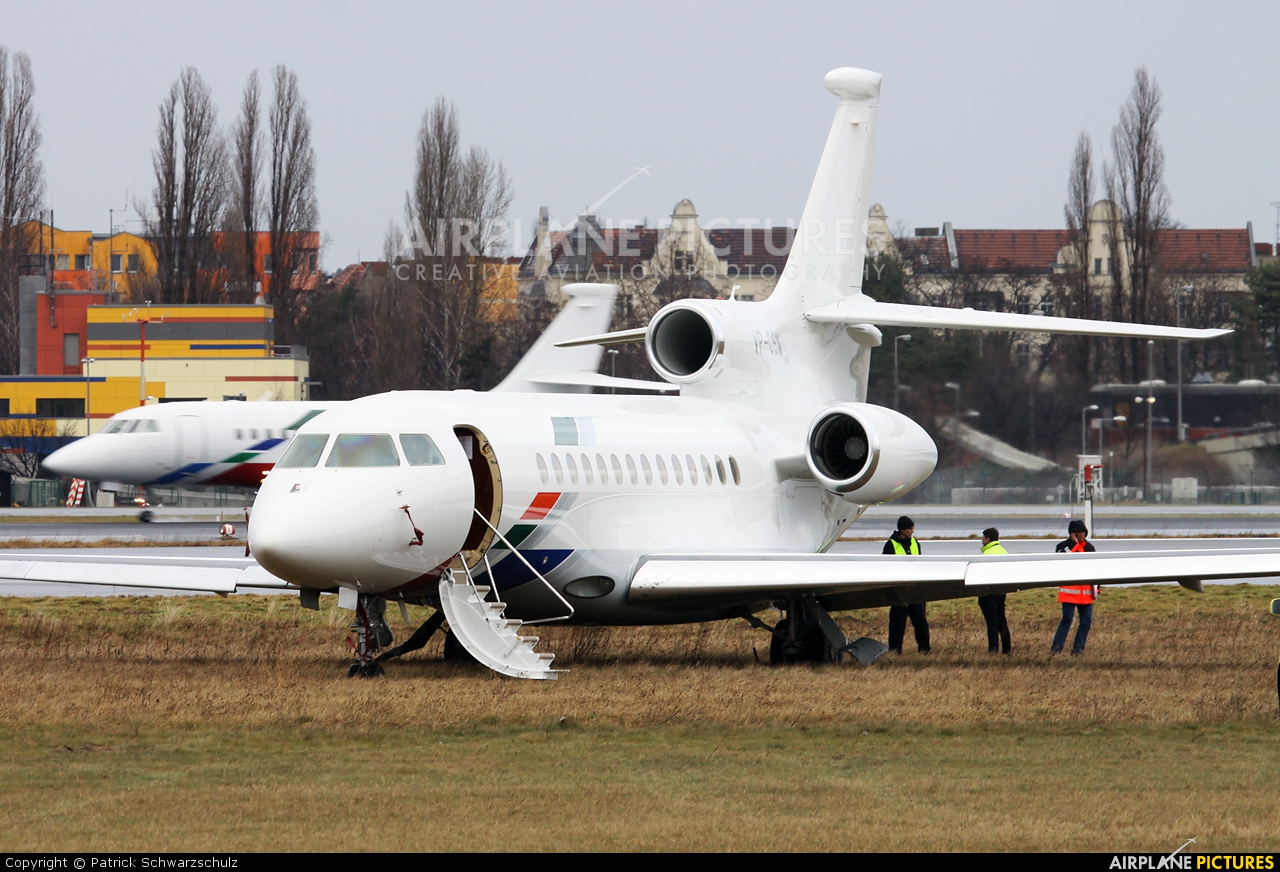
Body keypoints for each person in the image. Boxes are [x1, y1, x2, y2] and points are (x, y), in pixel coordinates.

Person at [883, 515, 930, 654]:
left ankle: (925, 649)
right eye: (910, 529)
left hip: (915, 589)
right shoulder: (891, 545)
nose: (912, 531)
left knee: (921, 622)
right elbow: (885, 567)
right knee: (897, 623)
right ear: (902, 530)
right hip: (900, 590)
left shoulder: (915, 543)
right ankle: (895, 650)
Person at [1051, 519, 1098, 655]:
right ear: (1072, 534)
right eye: (1078, 532)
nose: (1081, 535)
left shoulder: (1090, 548)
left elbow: (1095, 568)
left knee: (1086, 622)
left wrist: (1096, 589)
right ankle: (1056, 649)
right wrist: (1076, 546)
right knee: (1066, 621)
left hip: (1086, 593)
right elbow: (1065, 562)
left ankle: (1078, 649)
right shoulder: (1063, 546)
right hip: (1069, 593)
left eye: (1083, 532)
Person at [977, 527, 1011, 654]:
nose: (982, 540)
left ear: (988, 539)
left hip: (989, 592)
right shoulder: (1003, 551)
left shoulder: (987, 554)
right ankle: (1007, 648)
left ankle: (993, 649)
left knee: (991, 622)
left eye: (983, 538)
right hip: (1001, 591)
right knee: (1002, 620)